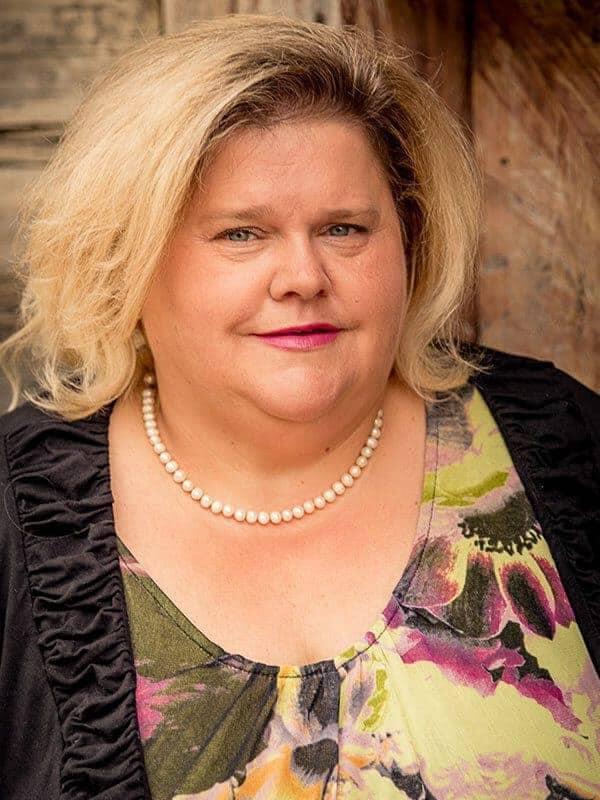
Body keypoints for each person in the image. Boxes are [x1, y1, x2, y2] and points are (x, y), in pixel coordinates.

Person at [0, 13, 598, 800]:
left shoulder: (567, 444)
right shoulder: (19, 513)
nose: (303, 277)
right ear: (127, 259)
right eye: (241, 234)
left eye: (344, 228)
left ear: (409, 242)